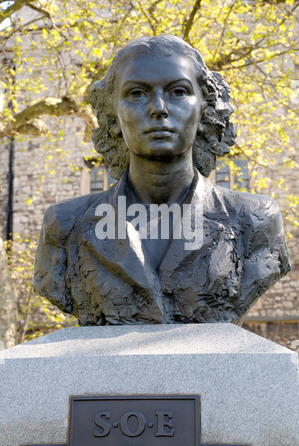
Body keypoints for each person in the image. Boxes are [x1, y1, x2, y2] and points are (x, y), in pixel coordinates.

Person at [32, 35, 290, 326]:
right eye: (137, 94)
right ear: (112, 115)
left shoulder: (255, 222)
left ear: (204, 109)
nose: (159, 108)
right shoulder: (65, 225)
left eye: (178, 92)